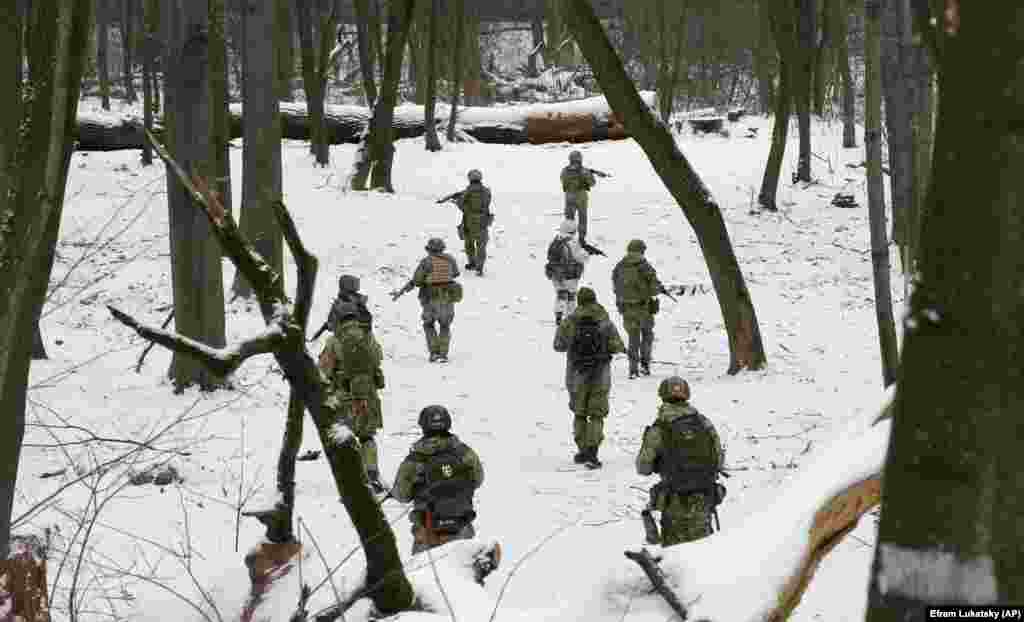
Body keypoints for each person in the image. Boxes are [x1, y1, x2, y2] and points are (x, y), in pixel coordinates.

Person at [635, 377, 726, 546]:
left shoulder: (659, 428)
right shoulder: (704, 423)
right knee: (705, 548)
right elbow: (719, 459)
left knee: (675, 554)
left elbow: (642, 467)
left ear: (662, 395)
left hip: (674, 500)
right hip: (704, 498)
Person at [392, 405, 485, 555]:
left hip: (427, 530)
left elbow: (402, 495)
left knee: (424, 575)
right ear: (448, 423)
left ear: (422, 425)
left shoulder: (414, 460)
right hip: (462, 526)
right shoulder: (464, 453)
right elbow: (478, 479)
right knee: (465, 573)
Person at [553, 286, 625, 469]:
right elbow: (617, 346)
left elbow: (558, 346)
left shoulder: (570, 321)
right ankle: (593, 451)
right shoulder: (605, 321)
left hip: (576, 374)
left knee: (579, 413)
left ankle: (582, 449)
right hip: (600, 373)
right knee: (596, 414)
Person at [318, 302, 387, 493]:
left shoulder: (334, 341)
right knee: (367, 437)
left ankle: (352, 481)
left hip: (344, 397)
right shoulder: (368, 336)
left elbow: (323, 370)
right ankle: (372, 475)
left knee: (343, 438)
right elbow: (377, 358)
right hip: (368, 395)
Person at [390, 238, 462, 363]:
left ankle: (434, 353)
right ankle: (443, 354)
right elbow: (455, 274)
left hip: (430, 298)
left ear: (429, 249)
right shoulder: (450, 259)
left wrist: (401, 292)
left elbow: (417, 281)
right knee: (445, 326)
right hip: (447, 298)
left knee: (429, 324)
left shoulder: (426, 262)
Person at [611, 239, 664, 379]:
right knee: (647, 336)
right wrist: (658, 289)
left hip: (626, 308)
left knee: (632, 338)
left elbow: (615, 287)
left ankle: (633, 369)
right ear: (642, 250)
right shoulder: (644, 266)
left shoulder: (619, 266)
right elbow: (653, 288)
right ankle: (645, 365)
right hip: (643, 308)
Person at [545, 219, 589, 325]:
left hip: (556, 274)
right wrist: (586, 255)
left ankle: (559, 313)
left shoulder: (556, 240)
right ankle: (571, 316)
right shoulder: (573, 242)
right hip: (570, 275)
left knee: (560, 294)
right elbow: (581, 257)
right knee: (571, 295)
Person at [457, 169, 494, 276]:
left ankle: (472, 263)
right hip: (483, 221)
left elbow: (462, 206)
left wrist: (457, 201)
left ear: (470, 178)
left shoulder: (467, 191)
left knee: (469, 243)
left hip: (469, 221)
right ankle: (480, 267)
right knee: (481, 246)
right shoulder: (486, 191)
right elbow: (487, 203)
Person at [560, 150, 597, 243]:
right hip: (581, 197)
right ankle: (581, 238)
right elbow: (592, 183)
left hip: (569, 197)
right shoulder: (584, 171)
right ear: (580, 159)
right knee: (582, 219)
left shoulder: (565, 170)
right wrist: (590, 175)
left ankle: (567, 237)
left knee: (569, 219)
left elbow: (562, 180)